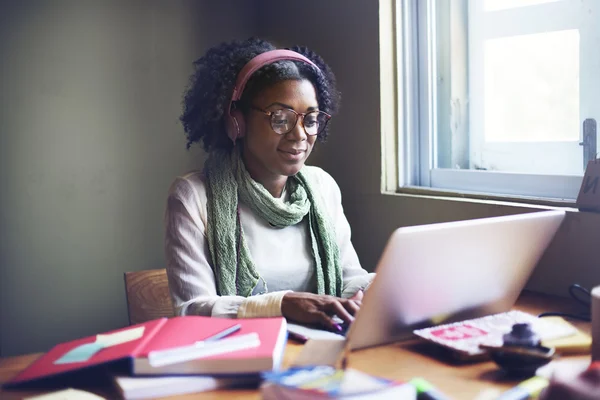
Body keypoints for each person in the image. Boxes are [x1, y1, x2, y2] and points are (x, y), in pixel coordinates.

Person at [164, 38, 374, 331]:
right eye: (281, 118)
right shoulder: (193, 196)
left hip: (322, 347)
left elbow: (350, 280)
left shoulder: (322, 187)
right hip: (242, 358)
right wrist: (282, 305)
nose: (300, 134)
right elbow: (193, 309)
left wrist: (384, 285)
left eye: (310, 119)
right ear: (236, 121)